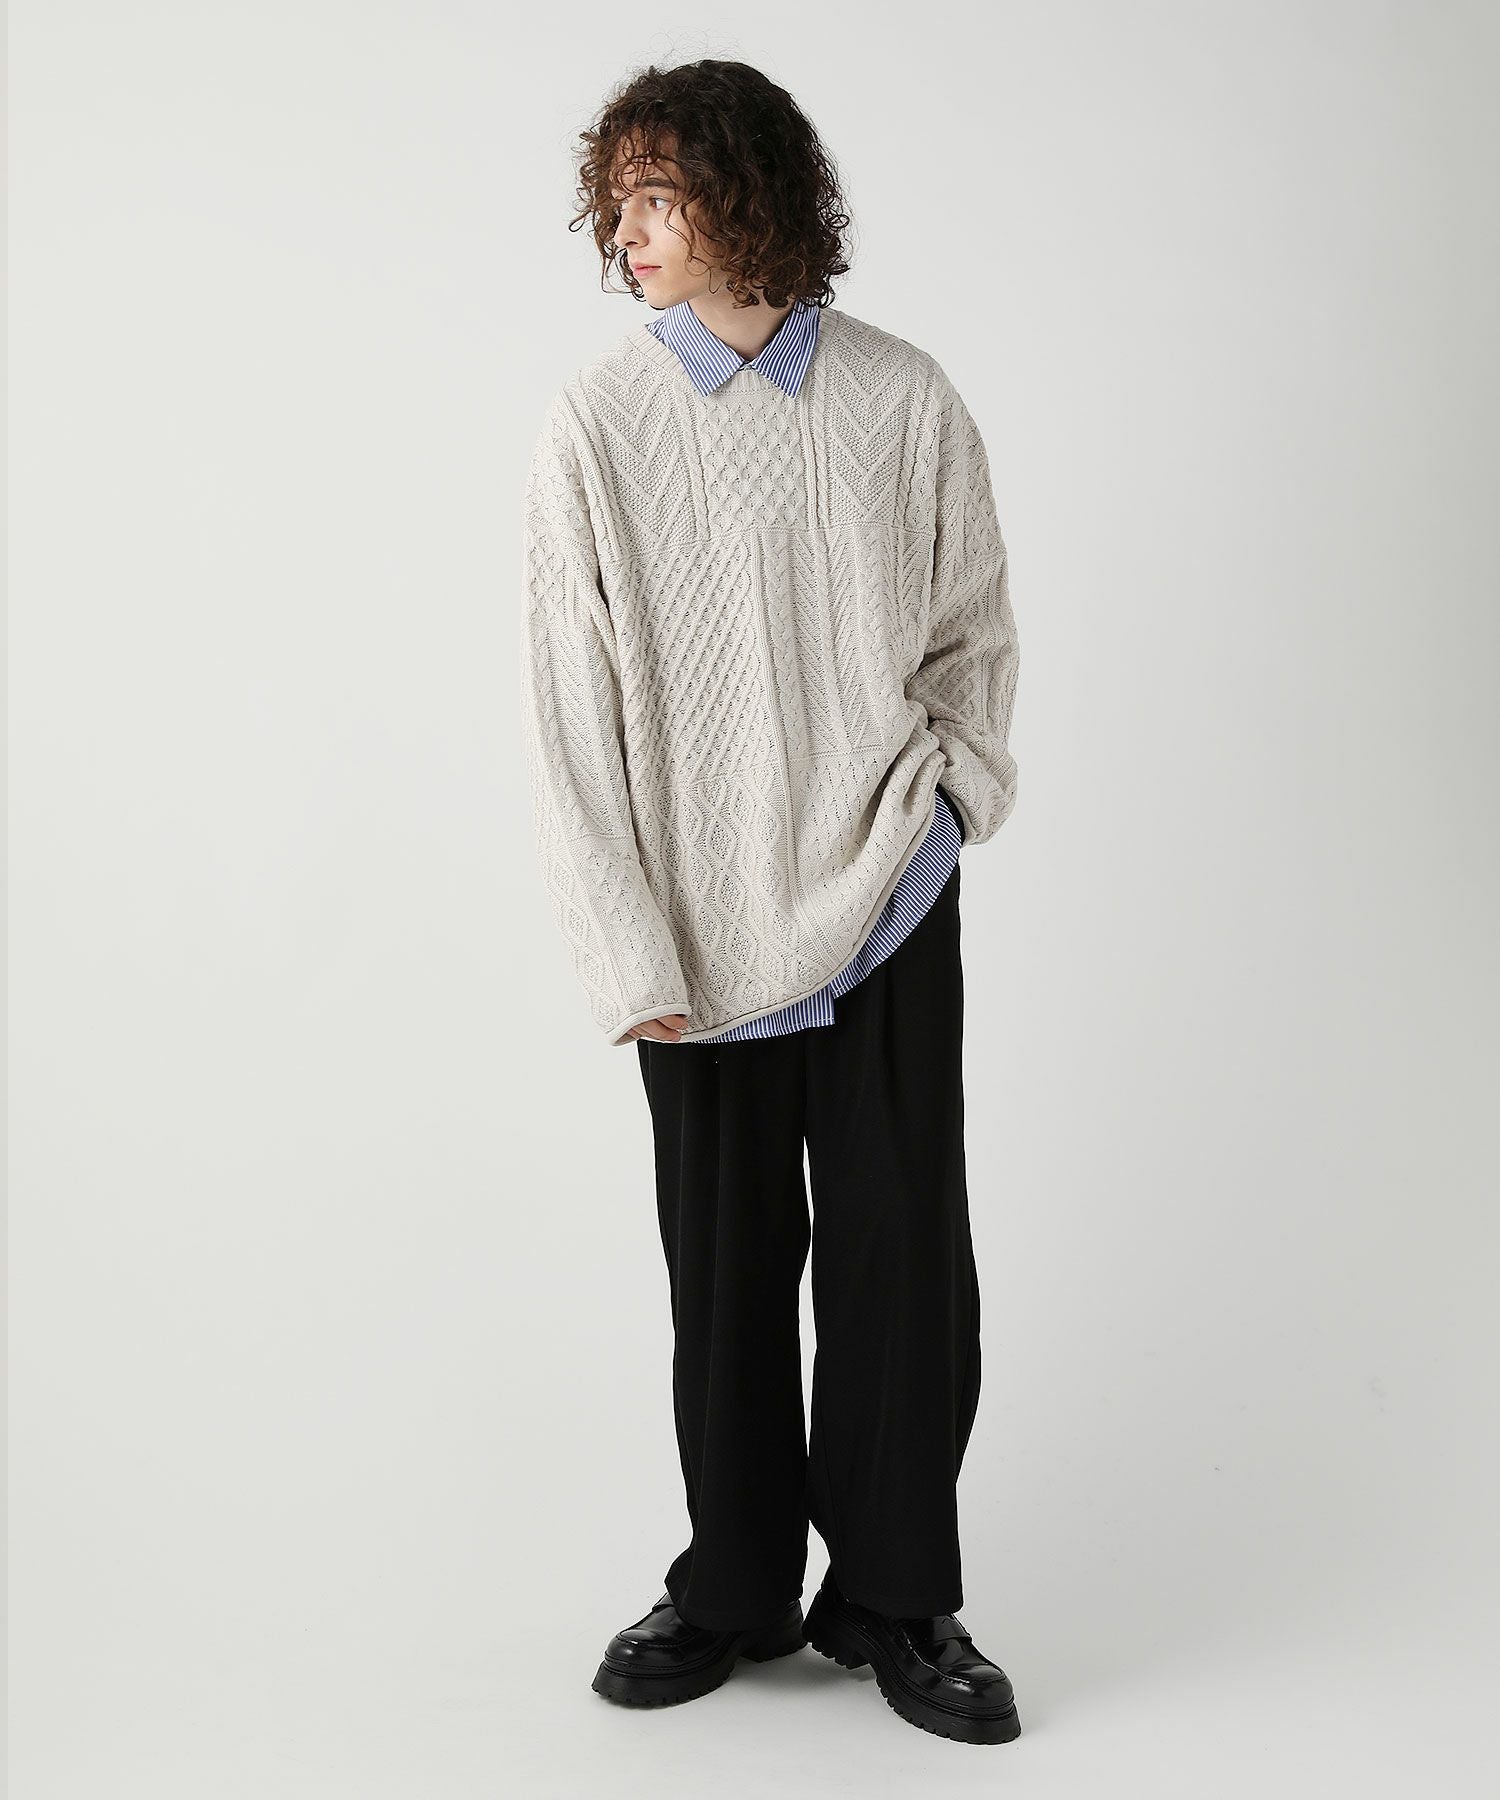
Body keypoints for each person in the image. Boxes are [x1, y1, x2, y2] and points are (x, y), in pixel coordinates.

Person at [519, 58, 1022, 1745]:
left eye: (660, 196)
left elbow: (973, 640)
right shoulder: (597, 424)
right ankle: (730, 1589)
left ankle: (896, 1594)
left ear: (752, 195)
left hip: (885, 894)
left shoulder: (904, 400)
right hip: (694, 921)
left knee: (903, 1260)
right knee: (725, 1275)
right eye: (618, 202)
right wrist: (625, 945)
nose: (629, 234)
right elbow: (570, 716)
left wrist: (944, 813)